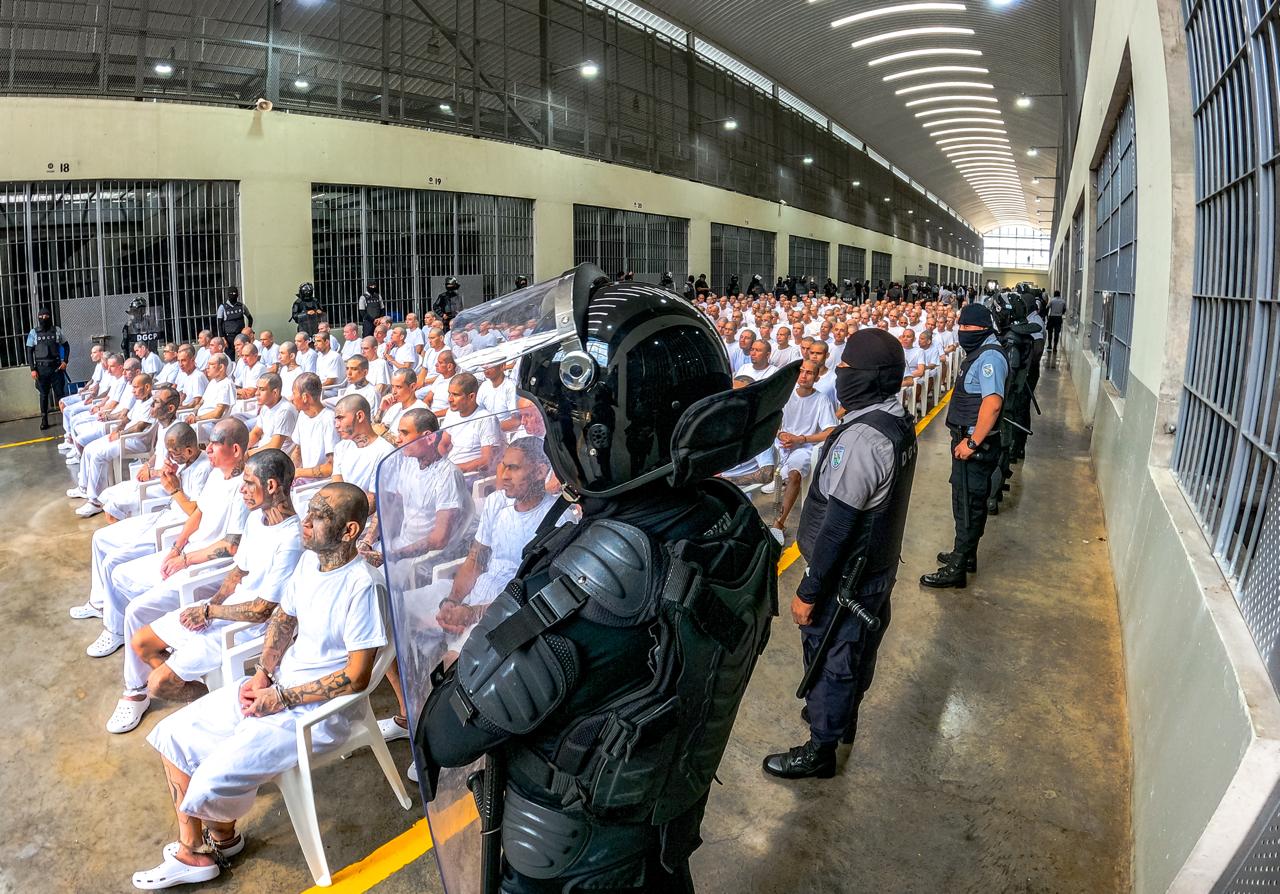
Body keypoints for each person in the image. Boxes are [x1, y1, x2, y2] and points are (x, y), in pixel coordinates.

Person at [410, 266, 788, 893]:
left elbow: (450, 736)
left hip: (570, 862)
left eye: (554, 421)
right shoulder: (728, 518)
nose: (548, 437)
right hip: (662, 830)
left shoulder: (605, 577)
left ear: (603, 435)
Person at [133, 483, 383, 889]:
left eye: (319, 516)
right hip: (277, 688)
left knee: (210, 776)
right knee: (174, 733)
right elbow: (284, 617)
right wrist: (264, 673)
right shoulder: (310, 563)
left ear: (350, 530)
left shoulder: (361, 585)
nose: (306, 520)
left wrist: (282, 697)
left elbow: (357, 676)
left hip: (316, 714)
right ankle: (213, 844)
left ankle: (193, 852)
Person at [763, 330, 917, 778]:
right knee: (854, 656)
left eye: (846, 370)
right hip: (874, 571)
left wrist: (809, 590)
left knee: (833, 662)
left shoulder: (863, 440)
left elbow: (840, 525)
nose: (838, 375)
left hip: (843, 581)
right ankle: (842, 723)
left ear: (867, 378)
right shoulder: (896, 421)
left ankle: (820, 750)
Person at [122, 449, 305, 732]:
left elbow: (262, 610)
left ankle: (209, 704)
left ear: (271, 486)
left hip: (246, 627)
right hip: (222, 611)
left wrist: (210, 611)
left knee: (157, 684)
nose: (242, 490)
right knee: (141, 643)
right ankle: (200, 695)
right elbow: (238, 571)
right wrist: (211, 605)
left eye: (248, 484)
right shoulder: (257, 518)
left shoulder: (291, 539)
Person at [89, 418, 251, 664]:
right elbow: (198, 514)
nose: (207, 449)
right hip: (190, 553)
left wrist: (185, 560)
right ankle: (126, 629)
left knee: (135, 610)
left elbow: (230, 546)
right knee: (118, 573)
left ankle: (138, 688)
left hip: (209, 568)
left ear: (235, 450)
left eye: (214, 444)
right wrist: (177, 548)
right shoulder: (218, 475)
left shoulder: (244, 488)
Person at [70, 422, 210, 623]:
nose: (170, 457)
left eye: (174, 452)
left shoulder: (204, 469)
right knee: (99, 538)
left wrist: (174, 488)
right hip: (163, 517)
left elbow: (194, 512)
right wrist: (170, 474)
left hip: (174, 528)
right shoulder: (186, 462)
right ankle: (98, 603)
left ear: (188, 450)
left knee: (112, 562)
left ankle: (115, 625)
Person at [921, 303, 1008, 589]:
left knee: (968, 503)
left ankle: (958, 568)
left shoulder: (989, 357)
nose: (962, 332)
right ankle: (965, 553)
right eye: (961, 327)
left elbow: (992, 404)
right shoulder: (982, 351)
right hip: (966, 440)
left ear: (983, 328)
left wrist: (971, 443)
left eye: (968, 328)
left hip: (974, 445)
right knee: (965, 500)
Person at [766, 360, 837, 544]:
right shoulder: (786, 396)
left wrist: (800, 439)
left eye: (809, 373)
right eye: (801, 371)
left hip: (804, 447)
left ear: (817, 377)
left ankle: (779, 523)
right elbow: (774, 422)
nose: (804, 376)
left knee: (795, 475)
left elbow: (829, 431)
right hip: (781, 444)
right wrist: (782, 435)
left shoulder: (821, 399)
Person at [68, 372, 154, 518]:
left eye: (136, 387)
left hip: (136, 441)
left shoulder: (151, 403)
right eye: (132, 387)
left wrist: (120, 434)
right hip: (126, 436)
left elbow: (140, 426)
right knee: (89, 448)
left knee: (98, 455)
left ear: (147, 387)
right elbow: (127, 418)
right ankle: (83, 486)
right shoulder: (139, 401)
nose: (133, 391)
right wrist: (117, 429)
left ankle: (95, 501)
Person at [438, 372, 502, 475]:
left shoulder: (486, 419)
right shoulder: (451, 413)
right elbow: (443, 444)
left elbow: (487, 461)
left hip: (470, 476)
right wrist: (442, 465)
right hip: (450, 472)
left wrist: (455, 469)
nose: (450, 399)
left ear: (471, 396)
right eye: (449, 393)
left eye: (455, 395)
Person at [289, 373, 338, 485]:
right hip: (304, 480)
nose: (291, 398)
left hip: (322, 484)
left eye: (294, 393)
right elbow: (297, 451)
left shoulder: (328, 419)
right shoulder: (302, 415)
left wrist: (299, 472)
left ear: (305, 397)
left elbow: (330, 467)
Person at [26, 306, 69, 430]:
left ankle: (67, 420)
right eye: (41, 316)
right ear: (38, 317)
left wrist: (65, 361)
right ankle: (44, 420)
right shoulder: (33, 333)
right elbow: (29, 351)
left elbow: (66, 346)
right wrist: (32, 369)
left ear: (50, 317)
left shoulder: (57, 330)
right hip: (41, 370)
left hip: (56, 369)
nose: (44, 318)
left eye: (46, 316)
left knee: (60, 394)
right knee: (44, 395)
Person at [246, 373, 298, 455]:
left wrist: (248, 455)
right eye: (257, 389)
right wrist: (241, 450)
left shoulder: (285, 411)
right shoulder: (266, 407)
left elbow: (275, 446)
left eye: (262, 389)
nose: (256, 393)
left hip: (275, 460)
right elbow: (256, 433)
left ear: (275, 392)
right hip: (262, 453)